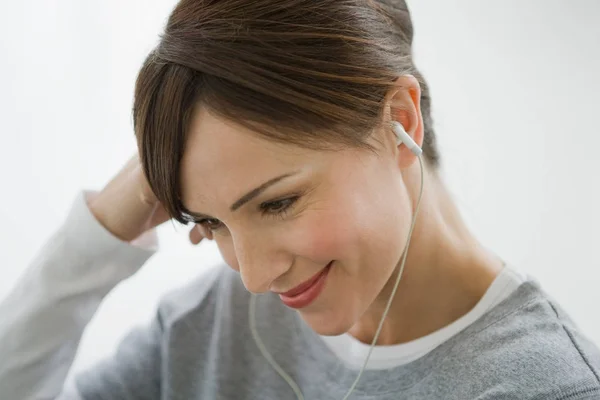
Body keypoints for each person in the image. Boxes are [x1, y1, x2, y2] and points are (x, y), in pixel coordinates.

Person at [1, 0, 599, 399]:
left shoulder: (542, 386)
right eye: (211, 223)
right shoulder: (213, 322)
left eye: (277, 203)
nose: (257, 277)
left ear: (400, 120)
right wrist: (103, 228)